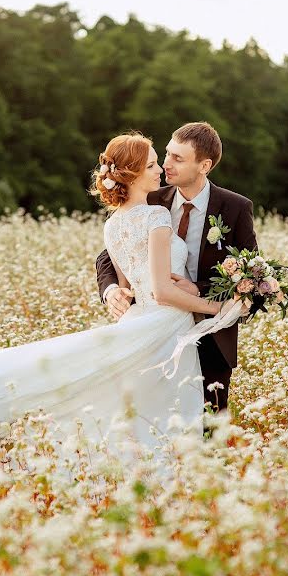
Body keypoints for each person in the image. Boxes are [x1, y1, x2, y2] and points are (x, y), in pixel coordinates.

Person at [0, 132, 228, 460]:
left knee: (126, 404)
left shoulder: (112, 225)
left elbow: (132, 289)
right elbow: (161, 290)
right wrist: (213, 306)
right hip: (167, 325)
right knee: (166, 411)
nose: (160, 170)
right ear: (133, 173)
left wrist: (166, 291)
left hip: (142, 318)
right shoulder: (157, 215)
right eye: (152, 165)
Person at [96, 122, 258, 415]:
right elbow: (110, 254)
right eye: (166, 155)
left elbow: (252, 277)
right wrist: (110, 290)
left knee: (208, 431)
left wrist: (202, 292)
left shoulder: (235, 208)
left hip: (212, 340)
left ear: (204, 165)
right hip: (155, 328)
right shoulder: (151, 199)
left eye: (177, 159)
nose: (166, 165)